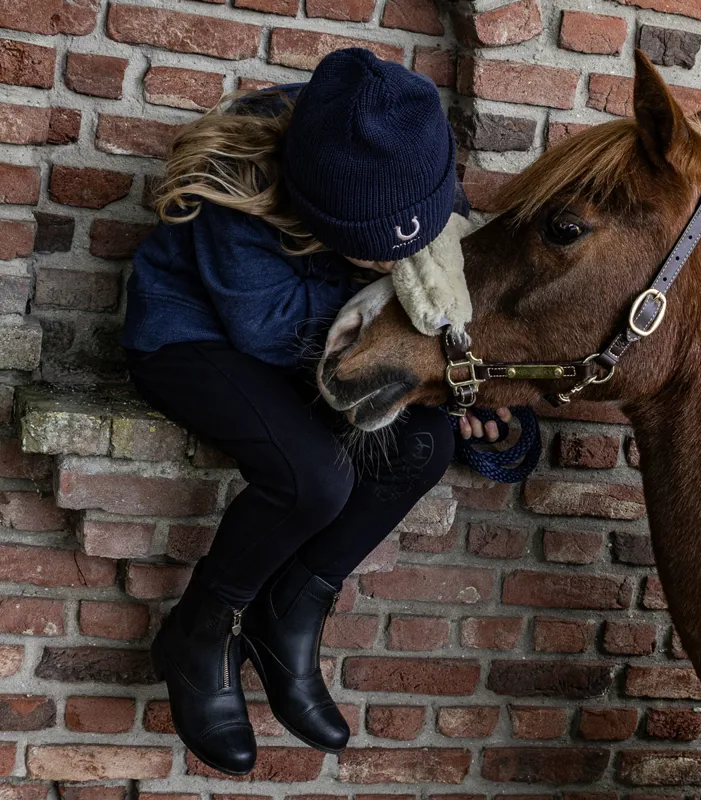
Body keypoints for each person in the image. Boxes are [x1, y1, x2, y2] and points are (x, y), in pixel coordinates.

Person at [121, 47, 509, 776]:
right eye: (362, 251)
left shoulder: (411, 157)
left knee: (424, 441)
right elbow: (266, 328)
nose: (382, 264)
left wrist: (468, 390)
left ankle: (290, 609)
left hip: (328, 351)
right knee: (313, 478)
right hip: (196, 337)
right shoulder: (240, 174)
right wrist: (393, 310)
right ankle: (203, 628)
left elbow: (445, 305)